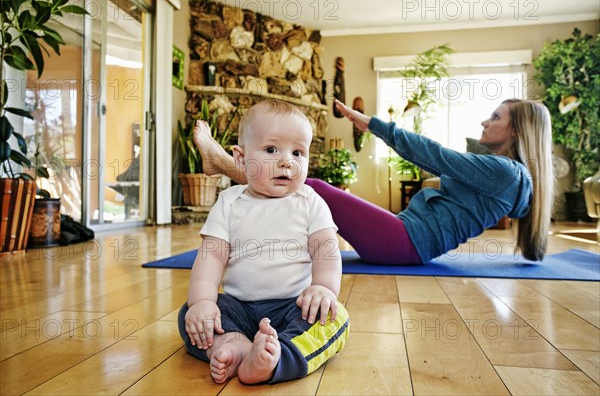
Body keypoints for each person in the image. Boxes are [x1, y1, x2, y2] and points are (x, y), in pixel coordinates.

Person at [193, 98, 553, 264]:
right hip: (405, 234)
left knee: (314, 190)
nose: (484, 123)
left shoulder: (505, 173)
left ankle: (222, 162)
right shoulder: (513, 180)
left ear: (517, 130)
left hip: (405, 243)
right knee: (314, 200)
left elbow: (435, 155)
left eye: (495, 117)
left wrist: (375, 125)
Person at [178, 100, 350, 385]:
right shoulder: (230, 202)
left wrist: (322, 288)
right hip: (239, 307)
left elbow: (326, 250)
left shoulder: (310, 202)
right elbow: (212, 257)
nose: (287, 161)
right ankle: (234, 346)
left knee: (335, 317)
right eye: (271, 150)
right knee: (191, 314)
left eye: (298, 152)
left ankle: (276, 358)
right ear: (241, 159)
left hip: (295, 306)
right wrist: (203, 303)